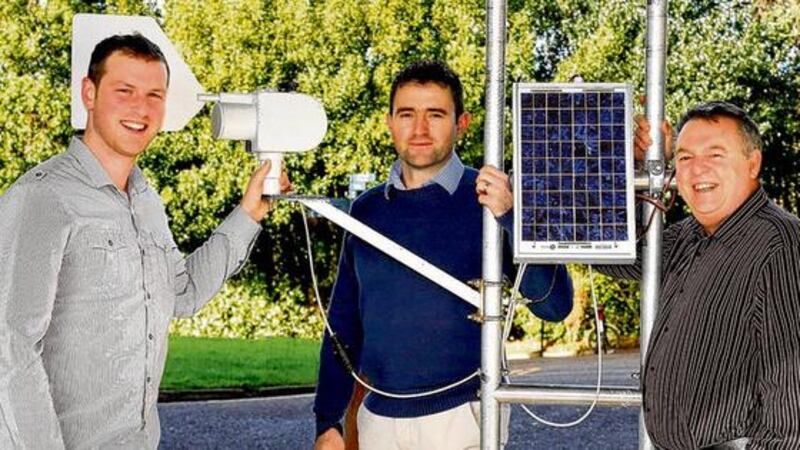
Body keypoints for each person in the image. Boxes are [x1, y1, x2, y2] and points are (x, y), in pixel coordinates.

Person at [0, 33, 289, 449]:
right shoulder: (42, 198)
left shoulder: (146, 199)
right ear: (89, 93)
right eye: (125, 91)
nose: (141, 108)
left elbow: (182, 294)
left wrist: (248, 214)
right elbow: (10, 345)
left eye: (155, 94)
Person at [313, 60, 574, 450]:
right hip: (379, 421)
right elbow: (343, 325)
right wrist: (327, 420)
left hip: (463, 417)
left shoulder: (492, 199)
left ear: (462, 123)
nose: (419, 129)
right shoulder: (366, 211)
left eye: (435, 115)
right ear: (389, 122)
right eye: (407, 114)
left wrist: (511, 218)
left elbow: (555, 306)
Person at [605, 101, 800, 448]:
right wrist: (641, 169)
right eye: (684, 158)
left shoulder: (780, 243)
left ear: (752, 163)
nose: (697, 171)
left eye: (715, 155)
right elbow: (616, 256)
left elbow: (791, 391)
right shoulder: (690, 235)